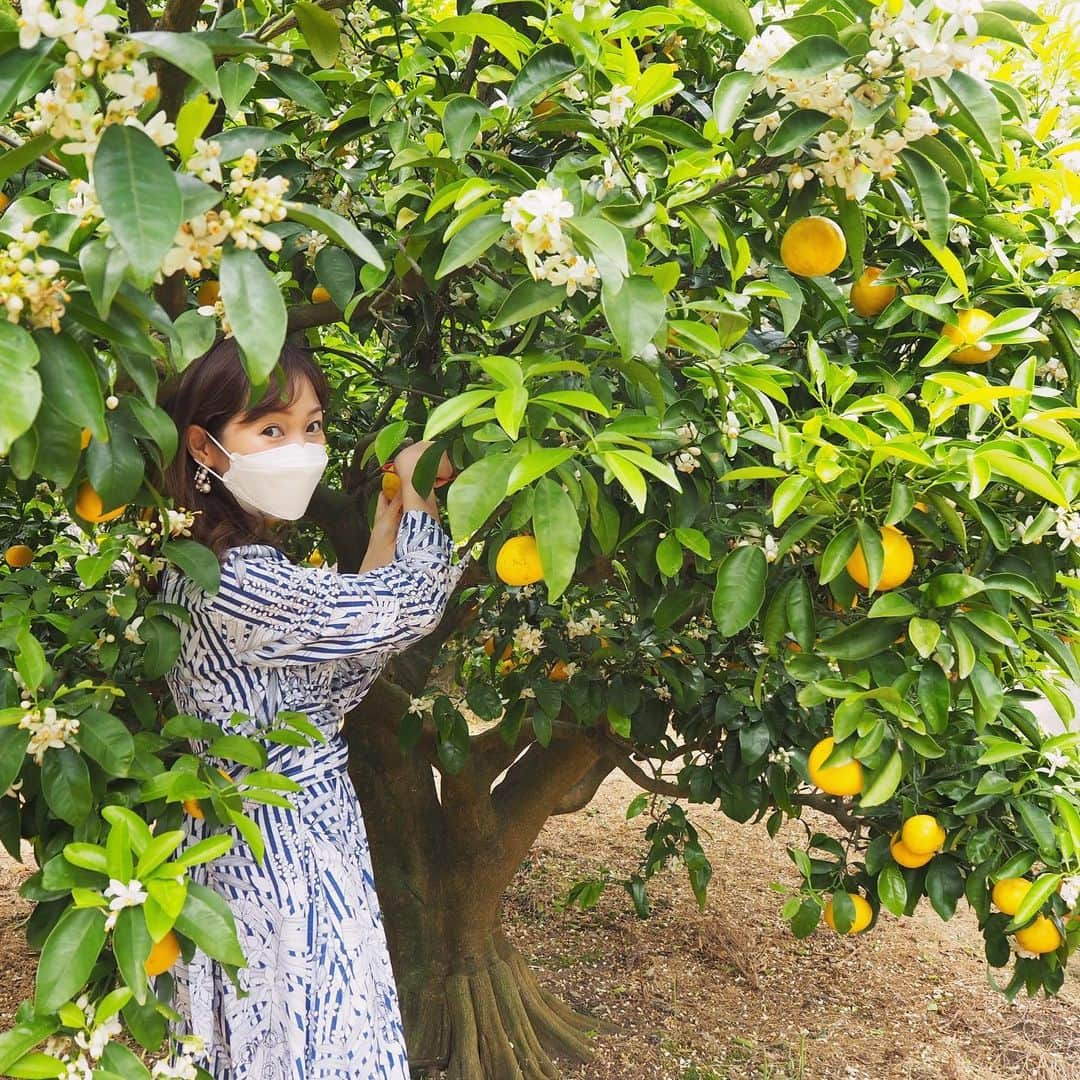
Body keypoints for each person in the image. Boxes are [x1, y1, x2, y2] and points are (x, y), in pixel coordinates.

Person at [157, 338, 462, 1079]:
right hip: (273, 853)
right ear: (204, 445)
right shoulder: (233, 580)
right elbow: (407, 605)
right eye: (271, 430)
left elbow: (333, 679)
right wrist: (423, 495)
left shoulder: (226, 559)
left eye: (314, 426)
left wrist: (388, 521)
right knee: (305, 1045)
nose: (302, 447)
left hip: (302, 838)